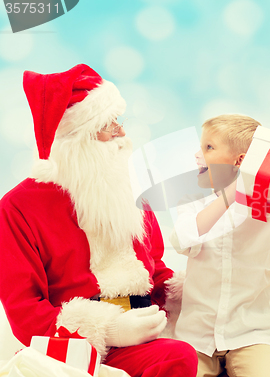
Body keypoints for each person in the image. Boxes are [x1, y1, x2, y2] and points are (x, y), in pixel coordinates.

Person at [0, 64, 197, 377]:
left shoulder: (128, 190)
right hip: (74, 352)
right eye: (108, 125)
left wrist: (197, 289)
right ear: (77, 139)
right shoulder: (18, 207)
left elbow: (154, 270)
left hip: (146, 336)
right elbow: (25, 313)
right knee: (178, 357)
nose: (122, 134)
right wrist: (110, 329)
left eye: (119, 121)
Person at [169, 114, 270, 377]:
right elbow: (183, 239)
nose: (197, 155)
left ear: (239, 161)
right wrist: (234, 192)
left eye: (208, 147)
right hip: (196, 335)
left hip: (253, 333)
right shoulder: (194, 198)